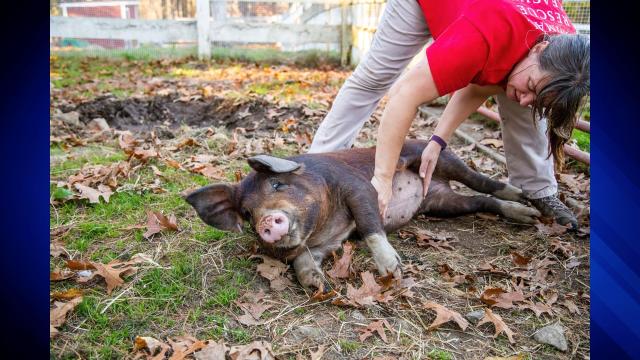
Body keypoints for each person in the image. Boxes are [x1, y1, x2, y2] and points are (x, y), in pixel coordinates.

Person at [308, 0, 590, 229]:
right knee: (375, 77)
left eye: (536, 95)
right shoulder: (482, 36)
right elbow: (405, 96)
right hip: (429, 6)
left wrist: (437, 142)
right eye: (530, 87)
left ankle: (538, 190)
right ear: (538, 49)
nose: (526, 97)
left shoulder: (563, 52)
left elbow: (480, 85)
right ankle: (317, 167)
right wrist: (381, 179)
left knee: (523, 99)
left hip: (497, 21)